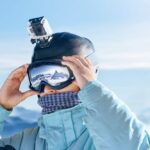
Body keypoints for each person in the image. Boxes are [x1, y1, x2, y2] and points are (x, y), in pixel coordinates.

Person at [0, 32, 149, 150]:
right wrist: (2, 106)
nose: (46, 88)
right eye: (38, 78)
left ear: (84, 75)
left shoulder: (103, 137)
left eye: (57, 76)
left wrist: (93, 90)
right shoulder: (24, 143)